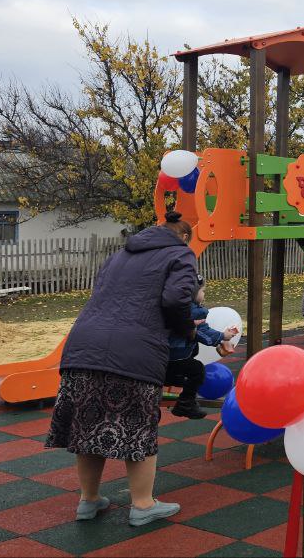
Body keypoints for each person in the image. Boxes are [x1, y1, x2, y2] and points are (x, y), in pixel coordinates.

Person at [46, 211, 199, 527]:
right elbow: (175, 300)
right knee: (138, 426)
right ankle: (143, 504)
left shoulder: (119, 254)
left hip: (83, 346)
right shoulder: (180, 253)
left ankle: (88, 501)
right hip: (134, 350)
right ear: (183, 236)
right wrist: (188, 330)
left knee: (87, 426)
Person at [164, 278, 238, 419]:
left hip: (165, 353)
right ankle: (185, 403)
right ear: (193, 294)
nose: (204, 294)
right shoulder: (194, 311)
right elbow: (202, 332)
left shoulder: (175, 308)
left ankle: (170, 378)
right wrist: (223, 336)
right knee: (197, 369)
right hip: (177, 354)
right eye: (202, 291)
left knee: (191, 356)